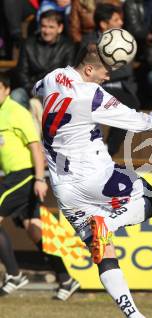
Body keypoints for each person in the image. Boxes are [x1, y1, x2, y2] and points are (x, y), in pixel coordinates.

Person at [33, 43, 152, 317]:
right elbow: (140, 124)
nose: (107, 78)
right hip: (95, 176)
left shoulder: (53, 77)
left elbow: (36, 90)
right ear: (89, 69)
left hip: (63, 188)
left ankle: (133, 315)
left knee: (103, 250)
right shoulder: (91, 94)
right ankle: (110, 222)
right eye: (105, 73)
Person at [0, 72, 80, 301]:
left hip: (23, 176)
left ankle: (14, 275)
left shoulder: (16, 112)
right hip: (13, 176)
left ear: (6, 89)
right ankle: (66, 279)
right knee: (35, 229)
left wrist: (39, 178)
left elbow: (35, 146)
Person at [93, 3, 141, 156]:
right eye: (116, 19)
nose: (121, 23)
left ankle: (109, 150)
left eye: (121, 19)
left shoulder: (123, 40)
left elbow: (126, 69)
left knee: (132, 108)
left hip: (122, 88)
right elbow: (90, 70)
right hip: (98, 87)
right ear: (103, 24)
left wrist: (103, 66)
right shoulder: (89, 41)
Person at [12, 10, 75, 109]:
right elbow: (22, 72)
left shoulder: (68, 46)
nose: (46, 31)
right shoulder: (28, 44)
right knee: (16, 96)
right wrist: (34, 91)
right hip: (32, 89)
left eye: (51, 27)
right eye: (44, 26)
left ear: (60, 28)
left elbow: (68, 74)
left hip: (57, 91)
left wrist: (51, 92)